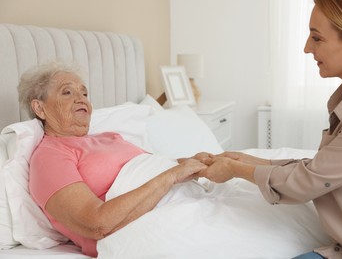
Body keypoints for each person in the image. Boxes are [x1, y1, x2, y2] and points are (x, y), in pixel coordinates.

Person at [198, 0, 342, 258]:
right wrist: (249, 159)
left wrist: (236, 169)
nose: (306, 48)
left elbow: (310, 181)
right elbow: (324, 168)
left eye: (317, 38)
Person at [18, 62, 207, 257]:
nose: (81, 99)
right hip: (148, 229)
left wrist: (191, 163)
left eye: (84, 94)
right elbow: (96, 224)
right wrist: (172, 176)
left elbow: (150, 169)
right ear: (39, 108)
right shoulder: (49, 156)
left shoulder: (109, 137)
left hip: (183, 200)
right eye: (67, 93)